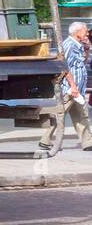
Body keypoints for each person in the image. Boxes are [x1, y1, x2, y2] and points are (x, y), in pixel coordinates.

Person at [41, 21, 92, 152]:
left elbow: (83, 62)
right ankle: (45, 140)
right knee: (60, 115)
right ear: (78, 32)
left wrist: (86, 49)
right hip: (69, 90)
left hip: (78, 91)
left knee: (82, 115)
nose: (87, 33)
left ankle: (87, 142)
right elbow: (64, 68)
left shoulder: (79, 45)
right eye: (85, 31)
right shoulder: (68, 45)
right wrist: (73, 86)